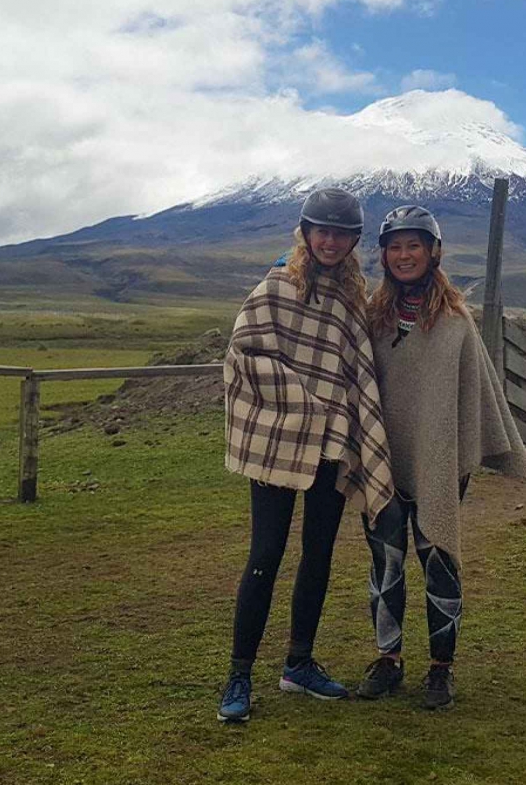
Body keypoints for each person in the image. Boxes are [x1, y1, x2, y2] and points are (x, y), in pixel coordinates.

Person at [355, 204, 526, 710]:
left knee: (438, 558)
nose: (404, 255)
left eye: (413, 245)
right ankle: (388, 659)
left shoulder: (457, 323)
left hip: (440, 460)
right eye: (395, 246)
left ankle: (441, 668)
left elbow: (475, 396)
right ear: (383, 255)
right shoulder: (371, 319)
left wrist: (461, 454)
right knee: (385, 561)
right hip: (381, 461)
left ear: (433, 252)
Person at [216, 187, 397, 724]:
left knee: (317, 554)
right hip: (280, 436)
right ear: (305, 232)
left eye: (341, 233)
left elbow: (355, 372)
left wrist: (335, 415)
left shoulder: (350, 301)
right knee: (265, 555)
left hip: (330, 445)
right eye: (321, 230)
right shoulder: (277, 286)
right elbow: (244, 352)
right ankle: (239, 674)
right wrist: (305, 403)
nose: (330, 240)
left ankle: (299, 663)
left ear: (354, 241)